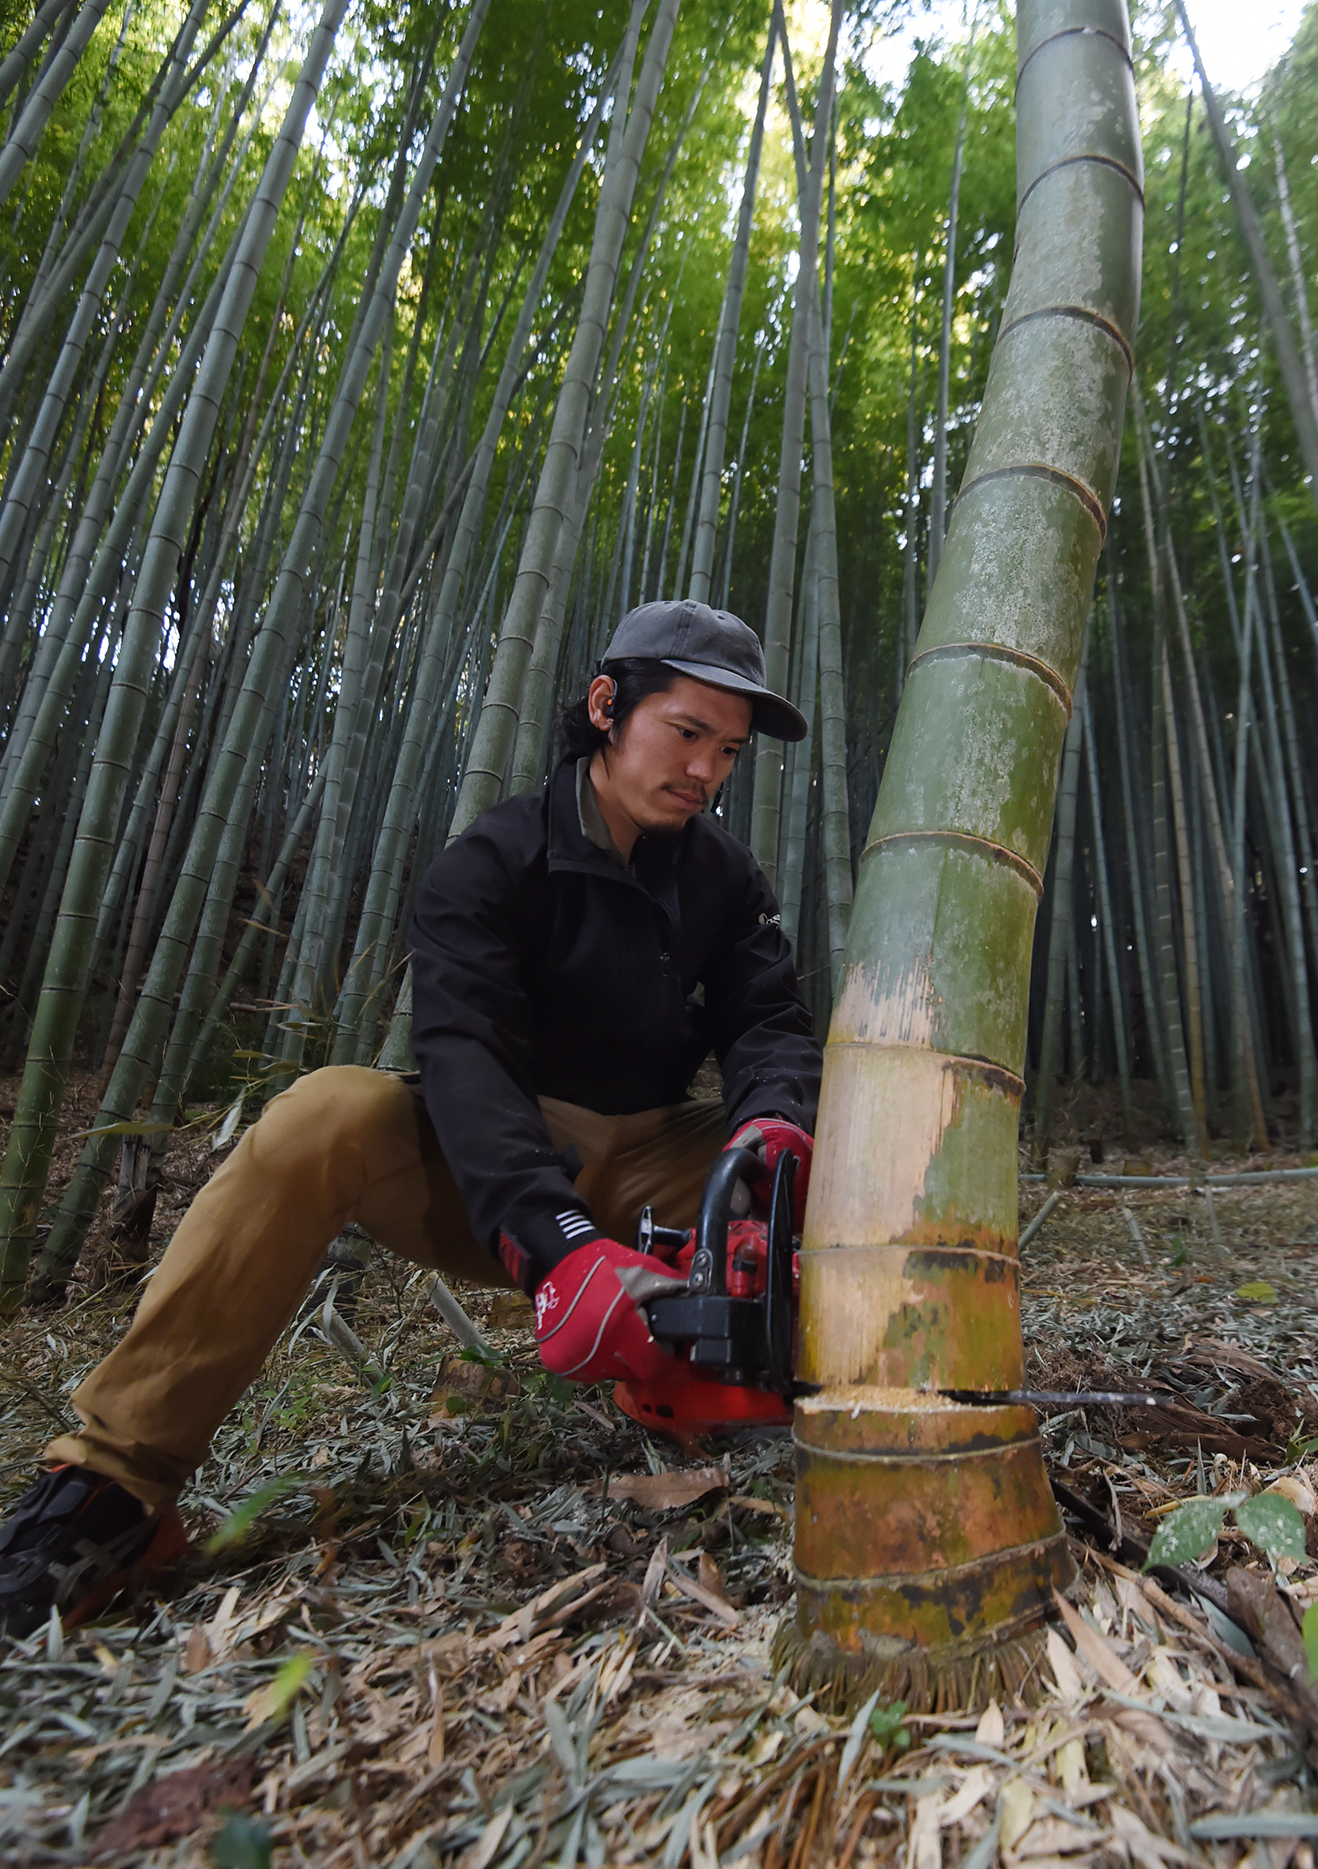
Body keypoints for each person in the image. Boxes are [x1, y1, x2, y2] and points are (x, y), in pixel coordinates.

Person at [0, 600, 820, 1637]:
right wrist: (552, 1239)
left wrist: (769, 1136)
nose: (705, 769)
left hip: (662, 1165)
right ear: (607, 705)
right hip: (498, 1169)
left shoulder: (724, 878)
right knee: (322, 1113)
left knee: (835, 1160)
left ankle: (721, 1375)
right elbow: (461, 1054)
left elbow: (770, 1023)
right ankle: (110, 1492)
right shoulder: (490, 860)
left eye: (730, 751)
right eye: (687, 732)